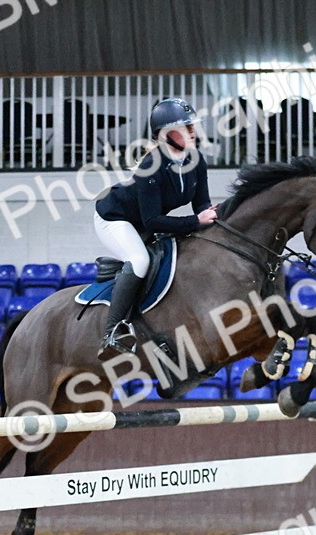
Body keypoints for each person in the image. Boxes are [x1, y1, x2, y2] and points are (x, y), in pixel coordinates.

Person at [93, 97, 217, 359]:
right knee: (139, 260)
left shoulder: (197, 160)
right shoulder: (152, 167)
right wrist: (196, 222)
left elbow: (201, 205)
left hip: (144, 222)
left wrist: (216, 217)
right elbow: (153, 222)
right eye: (186, 127)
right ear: (166, 135)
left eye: (192, 125)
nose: (194, 131)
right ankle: (111, 332)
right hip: (114, 218)